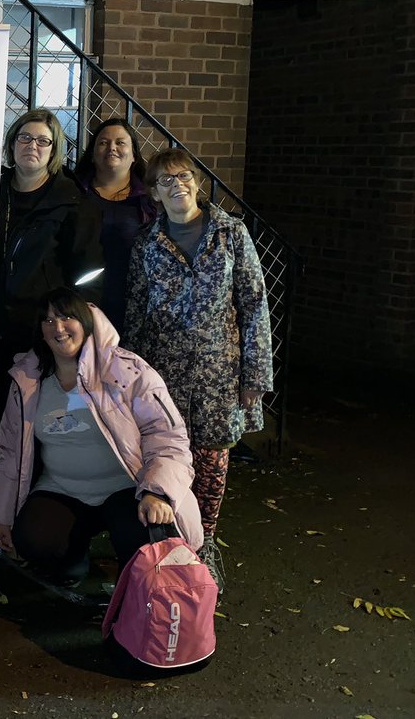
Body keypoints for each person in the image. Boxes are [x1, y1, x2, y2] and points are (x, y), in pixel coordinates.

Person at [0, 288, 202, 586]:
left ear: (86, 322)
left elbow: (166, 436)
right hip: (62, 487)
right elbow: (10, 451)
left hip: (126, 487)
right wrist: (2, 516)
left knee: (144, 536)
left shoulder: (128, 372)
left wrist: (157, 492)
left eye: (66, 317)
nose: (58, 327)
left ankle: (132, 590)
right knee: (33, 540)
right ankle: (72, 562)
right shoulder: (27, 381)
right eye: (48, 320)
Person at [126, 148, 273, 592]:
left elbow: (254, 304)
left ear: (197, 181)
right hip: (164, 375)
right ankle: (164, 554)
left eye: (184, 176)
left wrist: (255, 375)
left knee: (210, 468)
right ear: (154, 193)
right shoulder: (146, 243)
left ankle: (202, 554)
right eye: (166, 181)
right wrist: (129, 378)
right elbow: (136, 312)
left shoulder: (231, 233)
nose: (178, 186)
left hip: (219, 374)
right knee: (164, 462)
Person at [0, 108, 102, 407]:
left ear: (54, 151)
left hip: (44, 327)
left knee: (44, 410)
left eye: (43, 141)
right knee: (5, 410)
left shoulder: (73, 203)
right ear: (12, 143)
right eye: (25, 138)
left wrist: (70, 323)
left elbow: (88, 273)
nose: (32, 146)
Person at [72, 118, 158, 336]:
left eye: (120, 142)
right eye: (103, 142)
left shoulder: (152, 201)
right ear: (92, 154)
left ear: (134, 155)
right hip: (80, 301)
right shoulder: (72, 192)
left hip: (133, 304)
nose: (112, 148)